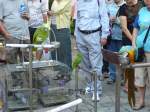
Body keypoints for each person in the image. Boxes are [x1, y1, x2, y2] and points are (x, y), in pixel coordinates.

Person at [76, 0, 109, 100]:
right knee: (84, 64)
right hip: (81, 35)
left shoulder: (99, 1)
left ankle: (96, 90)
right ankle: (89, 85)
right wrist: (76, 35)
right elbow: (77, 18)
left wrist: (104, 35)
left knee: (96, 64)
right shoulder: (79, 1)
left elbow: (104, 17)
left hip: (94, 35)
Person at [118, 0, 142, 92]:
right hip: (128, 39)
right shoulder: (123, 8)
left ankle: (135, 83)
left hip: (141, 38)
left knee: (139, 62)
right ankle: (127, 85)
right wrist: (134, 41)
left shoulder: (142, 5)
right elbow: (124, 28)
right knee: (129, 62)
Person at [132, 0, 150, 110]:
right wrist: (133, 43)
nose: (147, 1)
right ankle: (141, 101)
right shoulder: (142, 11)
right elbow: (135, 27)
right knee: (139, 76)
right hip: (139, 49)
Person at [106, 0, 125, 84]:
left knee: (123, 57)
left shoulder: (125, 6)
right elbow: (104, 17)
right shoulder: (109, 6)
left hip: (122, 37)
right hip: (112, 36)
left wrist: (117, 20)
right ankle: (112, 75)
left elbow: (129, 21)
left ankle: (123, 77)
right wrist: (108, 19)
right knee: (112, 56)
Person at [48, 0, 72, 69]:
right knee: (56, 51)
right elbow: (51, 12)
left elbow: (58, 10)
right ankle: (59, 71)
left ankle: (67, 73)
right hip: (53, 27)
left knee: (64, 51)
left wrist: (50, 12)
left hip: (62, 28)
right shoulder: (55, 1)